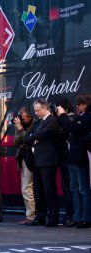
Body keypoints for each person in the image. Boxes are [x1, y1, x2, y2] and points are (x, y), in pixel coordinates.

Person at [25, 98, 60, 227]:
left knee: (49, 189)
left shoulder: (52, 121)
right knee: (37, 190)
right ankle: (40, 216)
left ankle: (53, 217)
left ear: (45, 108)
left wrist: (34, 137)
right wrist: (34, 137)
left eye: (37, 110)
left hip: (47, 160)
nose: (36, 113)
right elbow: (29, 137)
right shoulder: (39, 122)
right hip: (38, 160)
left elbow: (43, 134)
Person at [57, 94, 91, 228]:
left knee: (83, 188)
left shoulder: (88, 117)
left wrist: (62, 115)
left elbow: (73, 128)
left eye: (80, 104)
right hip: (72, 156)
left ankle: (86, 218)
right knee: (74, 188)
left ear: (85, 104)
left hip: (81, 156)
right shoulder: (80, 117)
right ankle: (77, 216)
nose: (77, 106)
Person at [13, 107, 37, 225]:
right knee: (26, 187)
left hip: (31, 159)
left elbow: (28, 139)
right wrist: (19, 129)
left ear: (29, 116)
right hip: (23, 158)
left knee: (27, 188)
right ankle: (31, 214)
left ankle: (31, 215)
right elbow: (15, 142)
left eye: (23, 118)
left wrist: (21, 129)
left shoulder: (34, 124)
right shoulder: (21, 126)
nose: (21, 121)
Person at [55, 99, 75, 226]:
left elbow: (65, 130)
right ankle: (71, 213)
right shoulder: (61, 119)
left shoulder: (70, 119)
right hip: (63, 156)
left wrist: (61, 116)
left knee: (70, 187)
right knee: (67, 187)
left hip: (68, 157)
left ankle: (71, 214)